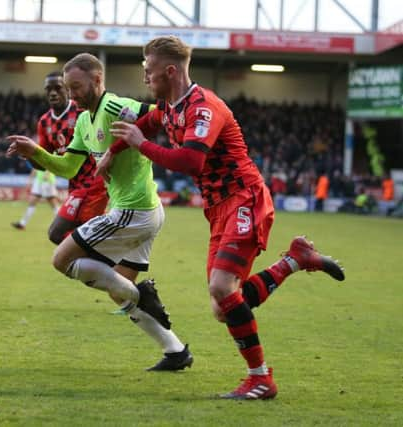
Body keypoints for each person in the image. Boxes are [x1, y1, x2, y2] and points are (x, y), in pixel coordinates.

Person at [102, 36, 345, 398]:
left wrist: (138, 144)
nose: (145, 78)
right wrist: (112, 151)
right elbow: (150, 124)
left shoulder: (203, 107)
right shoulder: (169, 106)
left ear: (170, 71)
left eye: (149, 71)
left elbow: (190, 161)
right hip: (218, 209)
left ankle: (261, 378)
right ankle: (294, 261)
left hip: (244, 198)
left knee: (221, 289)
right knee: (223, 305)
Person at [6, 53, 193, 371]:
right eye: (69, 88)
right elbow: (69, 167)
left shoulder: (114, 107)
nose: (72, 94)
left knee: (62, 259)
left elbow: (162, 115)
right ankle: (175, 351)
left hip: (133, 212)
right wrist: (35, 152)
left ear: (97, 79)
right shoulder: (82, 120)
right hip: (144, 211)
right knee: (115, 288)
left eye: (76, 86)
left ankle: (141, 296)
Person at [11, 71, 108, 244]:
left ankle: (113, 262)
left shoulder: (81, 112)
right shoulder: (45, 122)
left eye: (58, 88)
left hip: (95, 183)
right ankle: (114, 264)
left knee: (59, 234)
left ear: (67, 89)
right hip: (75, 186)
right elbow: (42, 165)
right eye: (48, 89)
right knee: (78, 239)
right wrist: (29, 154)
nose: (53, 93)